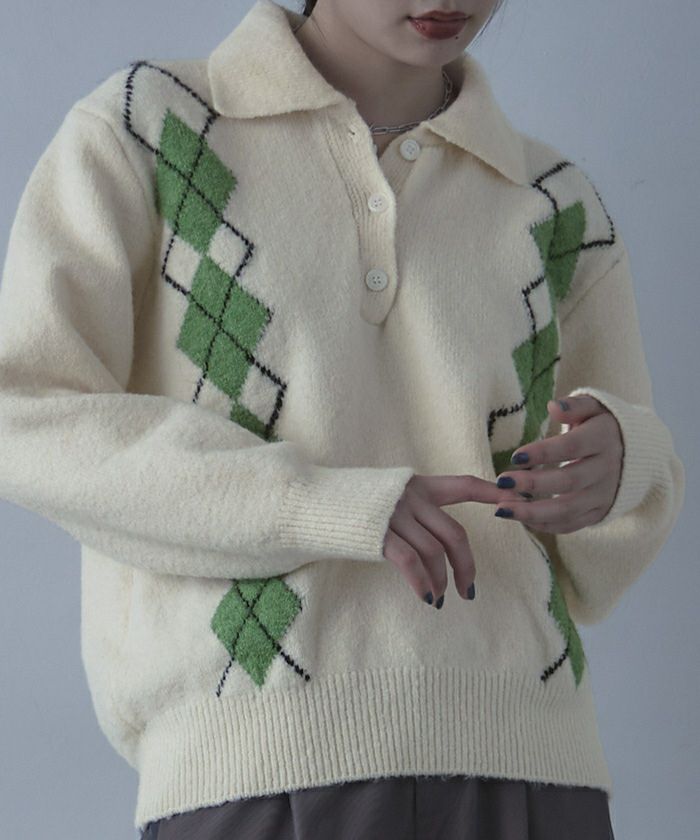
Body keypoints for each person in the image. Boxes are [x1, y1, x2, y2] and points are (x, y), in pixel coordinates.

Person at [0, 0, 685, 838]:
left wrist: (622, 464)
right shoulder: (152, 130)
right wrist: (320, 506)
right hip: (257, 769)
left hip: (534, 769)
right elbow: (24, 413)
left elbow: (609, 546)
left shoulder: (553, 203)